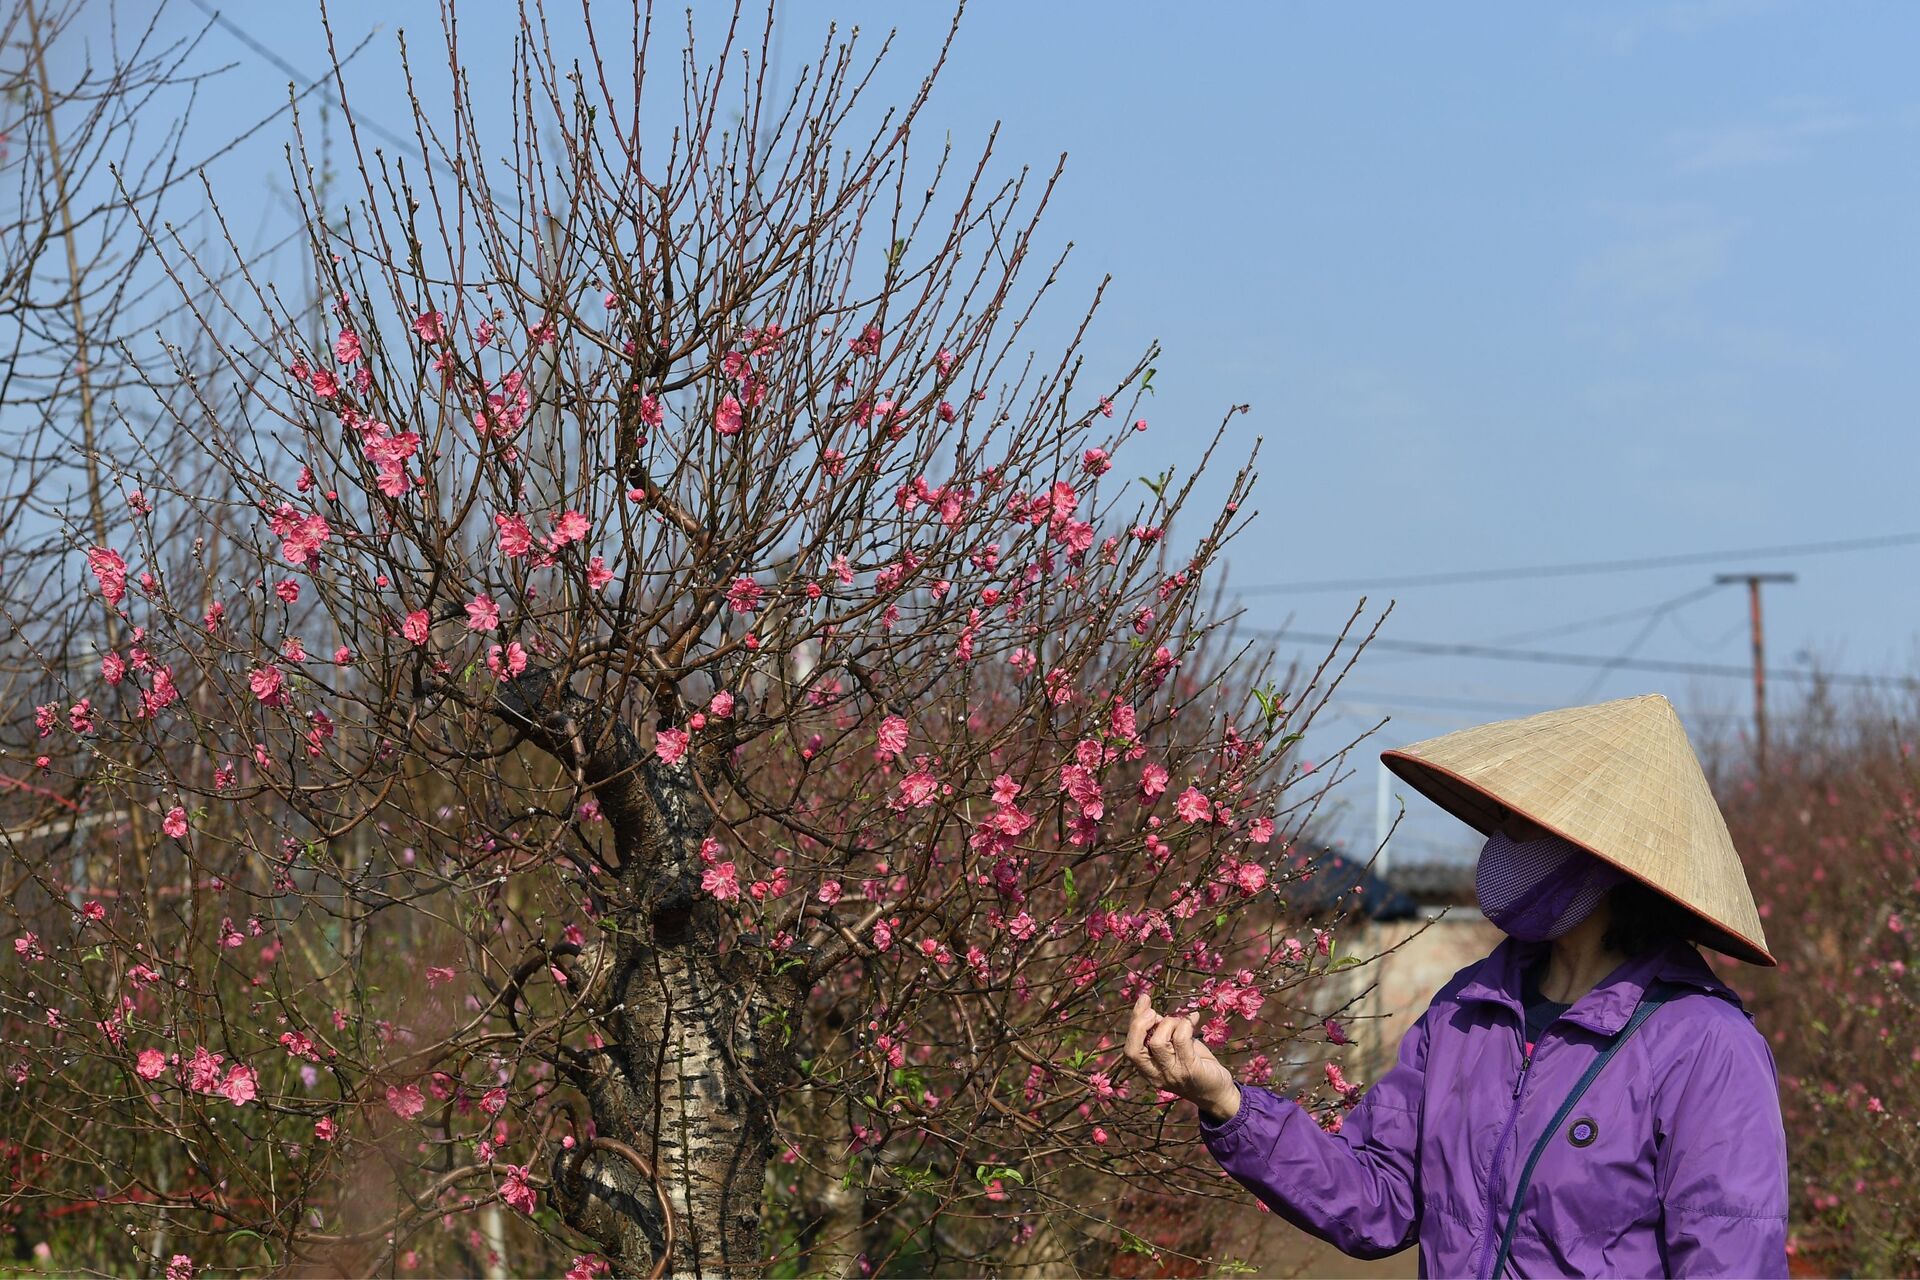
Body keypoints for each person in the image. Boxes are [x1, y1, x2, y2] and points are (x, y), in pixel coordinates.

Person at [1125, 694, 1788, 1278]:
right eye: (1504, 820)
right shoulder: (1469, 1013)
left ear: (1605, 862)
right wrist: (1229, 1104)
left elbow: (1731, 1260)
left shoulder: (1703, 1045)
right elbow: (1375, 1198)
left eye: (1526, 824)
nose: (1501, 842)